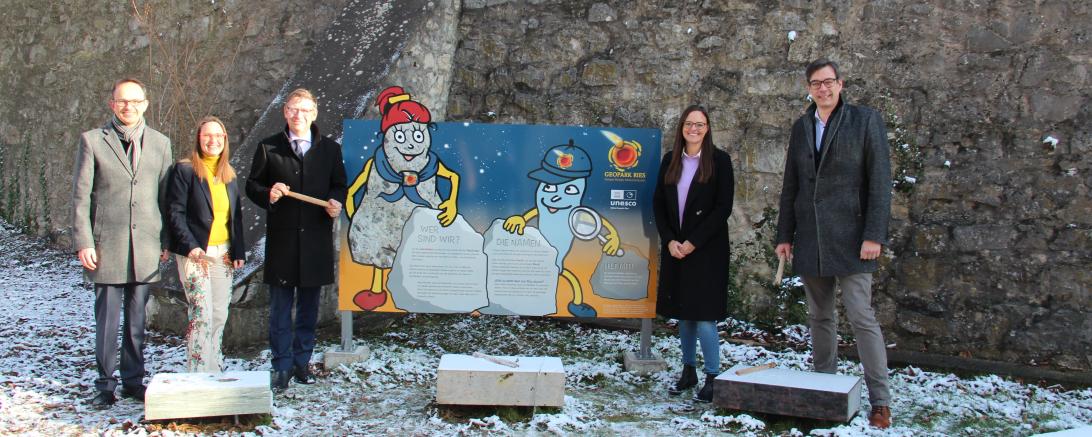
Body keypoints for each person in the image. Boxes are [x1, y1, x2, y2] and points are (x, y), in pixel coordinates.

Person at [774, 59, 894, 428]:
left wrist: (874, 234)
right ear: (808, 89)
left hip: (854, 239)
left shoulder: (865, 120)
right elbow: (792, 184)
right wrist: (784, 235)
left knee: (861, 317)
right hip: (811, 237)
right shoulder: (802, 127)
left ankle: (880, 401)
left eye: (828, 82)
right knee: (819, 317)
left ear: (840, 84)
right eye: (816, 83)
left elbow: (880, 181)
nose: (823, 89)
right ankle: (824, 390)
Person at [72, 78, 173, 408]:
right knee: (107, 321)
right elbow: (81, 196)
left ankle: (133, 380)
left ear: (145, 104)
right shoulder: (92, 141)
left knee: (136, 320)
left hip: (145, 246)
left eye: (135, 101)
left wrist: (166, 240)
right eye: (122, 101)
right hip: (107, 246)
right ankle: (105, 384)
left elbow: (166, 197)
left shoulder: (160, 143)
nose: (129, 106)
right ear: (112, 104)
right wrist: (84, 241)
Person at [246, 88, 347, 393]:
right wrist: (269, 193)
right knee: (279, 309)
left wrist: (335, 201)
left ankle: (302, 362)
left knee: (308, 309)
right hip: (283, 242)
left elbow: (339, 184)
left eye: (304, 110)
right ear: (285, 112)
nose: (298, 115)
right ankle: (281, 365)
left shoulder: (330, 150)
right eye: (293, 109)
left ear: (314, 114)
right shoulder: (268, 147)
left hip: (315, 242)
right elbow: (252, 185)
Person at [652, 105, 735, 403]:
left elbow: (723, 208)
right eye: (689, 124)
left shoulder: (720, 161)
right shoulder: (670, 160)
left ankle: (713, 376)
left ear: (707, 128)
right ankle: (688, 371)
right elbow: (658, 203)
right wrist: (670, 240)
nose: (694, 129)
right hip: (676, 249)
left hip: (707, 250)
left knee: (704, 316)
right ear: (682, 128)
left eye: (700, 124)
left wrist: (693, 242)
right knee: (684, 314)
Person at [167, 116, 246, 373]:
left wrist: (238, 250)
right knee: (201, 314)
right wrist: (191, 246)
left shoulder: (229, 174)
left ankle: (215, 366)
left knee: (220, 313)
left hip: (224, 254)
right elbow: (175, 212)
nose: (213, 141)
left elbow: (235, 217)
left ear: (225, 140)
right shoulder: (185, 170)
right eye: (207, 136)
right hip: (195, 254)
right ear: (198, 139)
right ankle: (199, 372)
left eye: (218, 136)